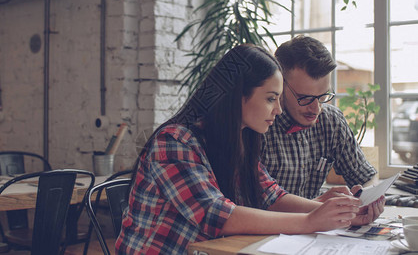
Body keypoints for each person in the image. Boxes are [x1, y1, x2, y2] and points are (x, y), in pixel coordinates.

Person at [115, 44, 381, 254]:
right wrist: (312, 218)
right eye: (270, 99)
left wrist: (336, 213)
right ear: (237, 95)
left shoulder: (239, 140)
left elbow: (271, 196)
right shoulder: (174, 142)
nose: (278, 110)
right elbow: (217, 216)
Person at [261, 35, 380, 202]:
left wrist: (369, 200)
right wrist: (320, 207)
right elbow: (258, 204)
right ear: (279, 84)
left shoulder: (331, 121)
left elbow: (367, 177)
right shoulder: (260, 125)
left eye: (323, 96)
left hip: (317, 225)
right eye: (305, 98)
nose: (316, 108)